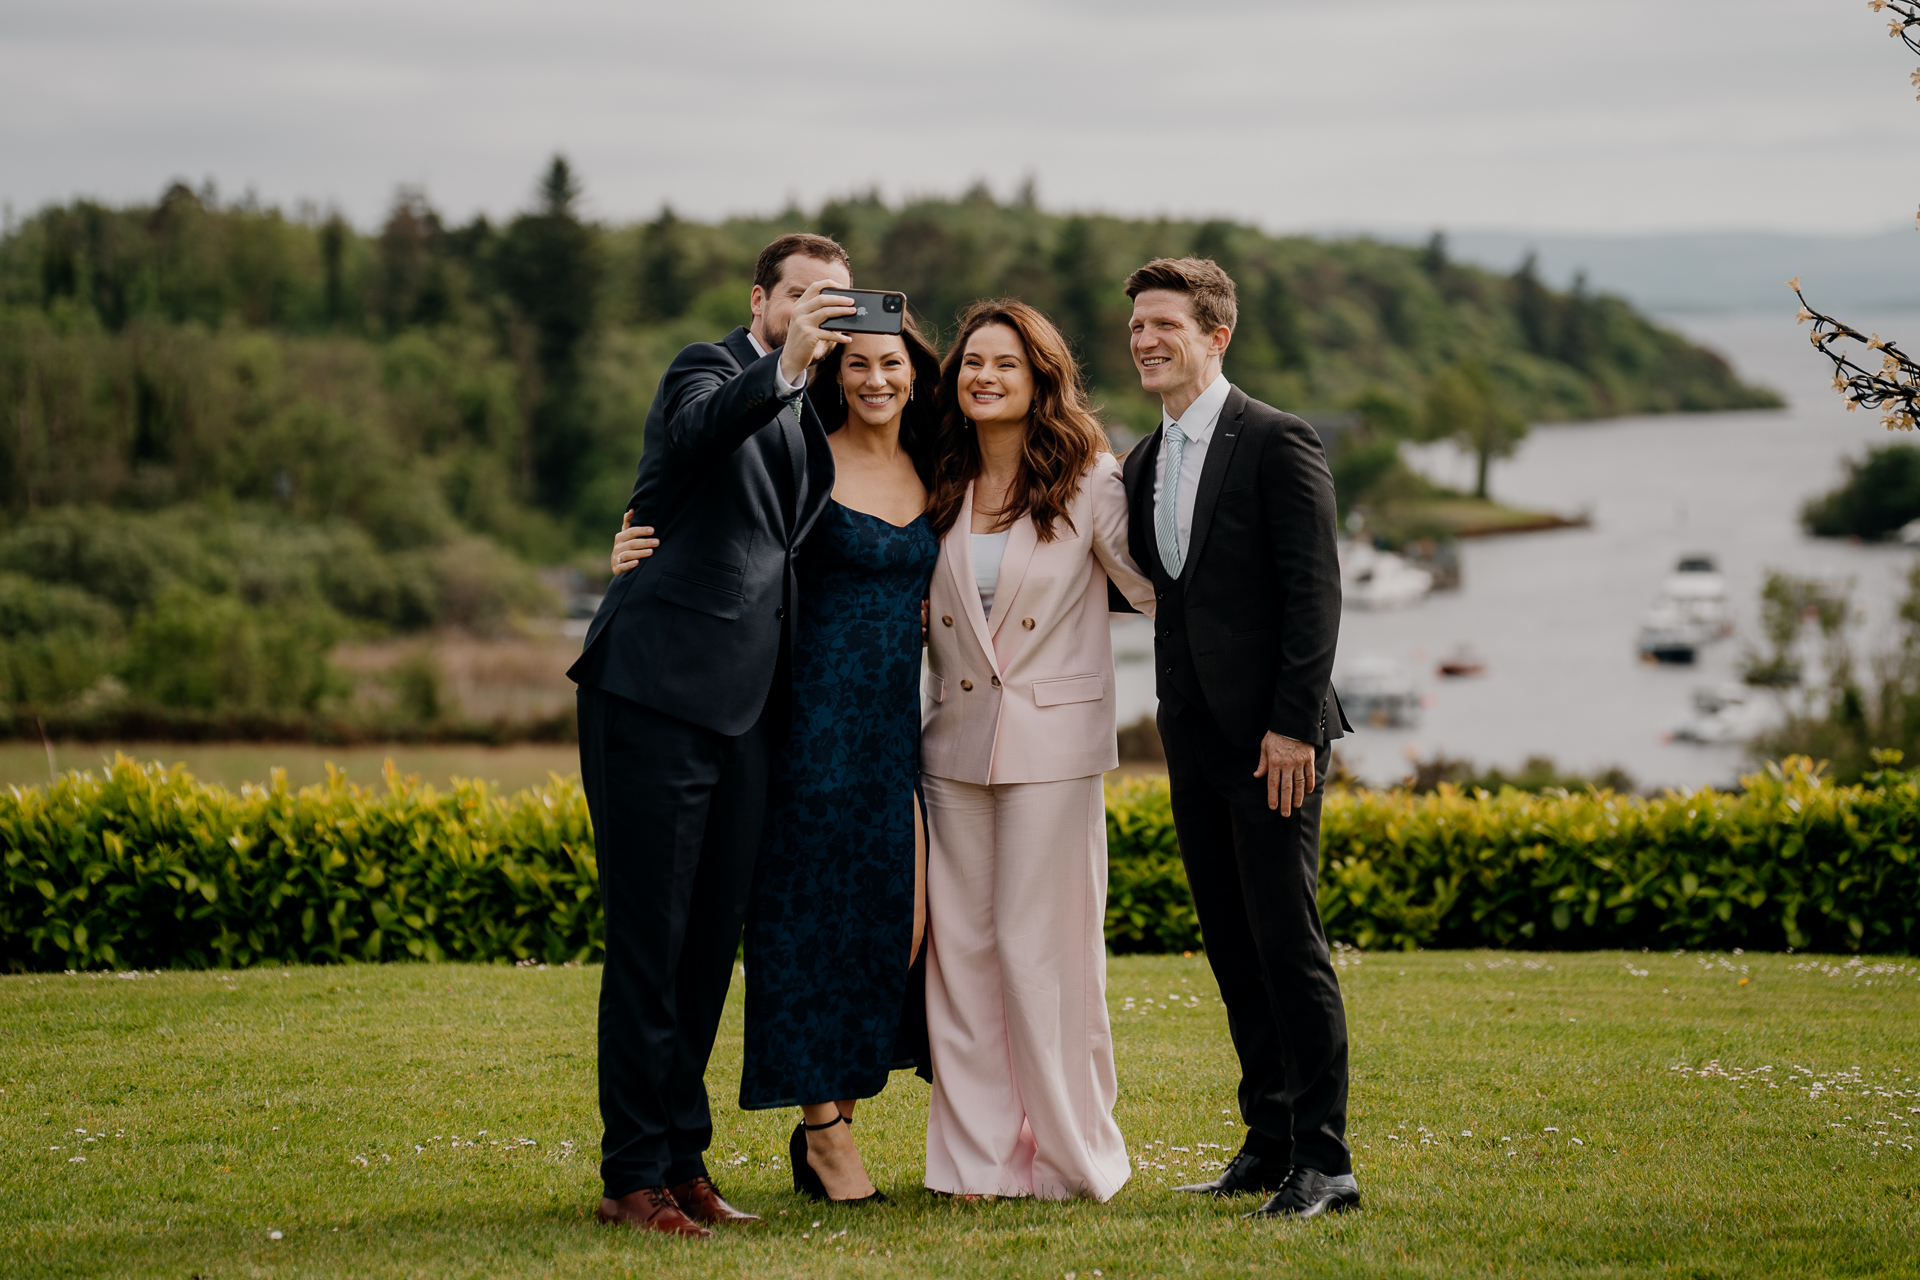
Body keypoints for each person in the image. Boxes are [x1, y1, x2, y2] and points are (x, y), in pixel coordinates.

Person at [610, 318, 945, 1207]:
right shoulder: (807, 457)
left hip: (894, 732)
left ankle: (862, 1120)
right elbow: (719, 508)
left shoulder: (942, 468)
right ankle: (823, 1131)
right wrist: (640, 541)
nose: (877, 378)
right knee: (806, 928)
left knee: (900, 926)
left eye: (892, 364)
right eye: (860, 364)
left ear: (915, 376)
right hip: (803, 721)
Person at [567, 232, 856, 1239]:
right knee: (650, 942)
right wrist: (784, 365)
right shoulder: (714, 367)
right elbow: (692, 437)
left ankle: (682, 1162)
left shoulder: (809, 410)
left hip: (747, 710)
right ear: (761, 300)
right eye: (806, 294)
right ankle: (630, 1175)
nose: (824, 310)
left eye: (840, 298)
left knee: (705, 951)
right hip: (655, 691)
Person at [1114, 257, 1358, 1220]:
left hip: (1274, 744)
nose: (1145, 338)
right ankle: (1266, 1141)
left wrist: (1293, 728)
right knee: (1230, 946)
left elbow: (1315, 593)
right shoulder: (1141, 460)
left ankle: (1325, 1160)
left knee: (1287, 943)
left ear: (1216, 336)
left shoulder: (1275, 440)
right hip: (1195, 743)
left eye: (1165, 323)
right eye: (1137, 324)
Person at [917, 299, 1157, 1202]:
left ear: (1039, 378)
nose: (983, 375)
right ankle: (979, 1163)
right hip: (952, 750)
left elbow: (1154, 589)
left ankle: (1068, 1157)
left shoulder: (1090, 478)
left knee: (1046, 953)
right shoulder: (935, 476)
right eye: (971, 362)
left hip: (1055, 751)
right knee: (964, 957)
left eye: (1004, 364)